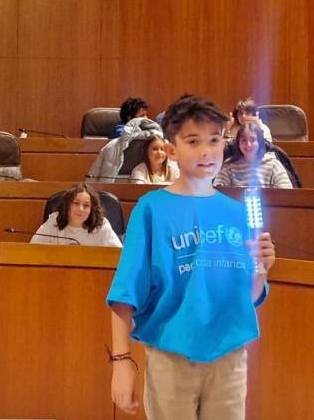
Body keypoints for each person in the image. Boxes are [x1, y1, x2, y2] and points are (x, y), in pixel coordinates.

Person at [108, 95, 274, 418]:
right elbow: (125, 294)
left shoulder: (238, 214)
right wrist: (120, 361)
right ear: (172, 149)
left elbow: (249, 297)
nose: (205, 151)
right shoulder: (152, 210)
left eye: (214, 140)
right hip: (172, 356)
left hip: (228, 358)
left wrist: (261, 270)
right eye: (192, 141)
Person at [30, 184, 122, 246]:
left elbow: (118, 256)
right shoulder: (55, 220)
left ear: (92, 209)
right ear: (67, 205)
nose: (80, 209)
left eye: (86, 205)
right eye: (76, 203)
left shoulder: (101, 225)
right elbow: (33, 248)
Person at [214, 122, 293, 188]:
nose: (248, 144)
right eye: (244, 140)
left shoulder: (273, 164)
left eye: (252, 140)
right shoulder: (229, 165)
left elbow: (287, 192)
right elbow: (218, 190)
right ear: (238, 143)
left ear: (259, 142)